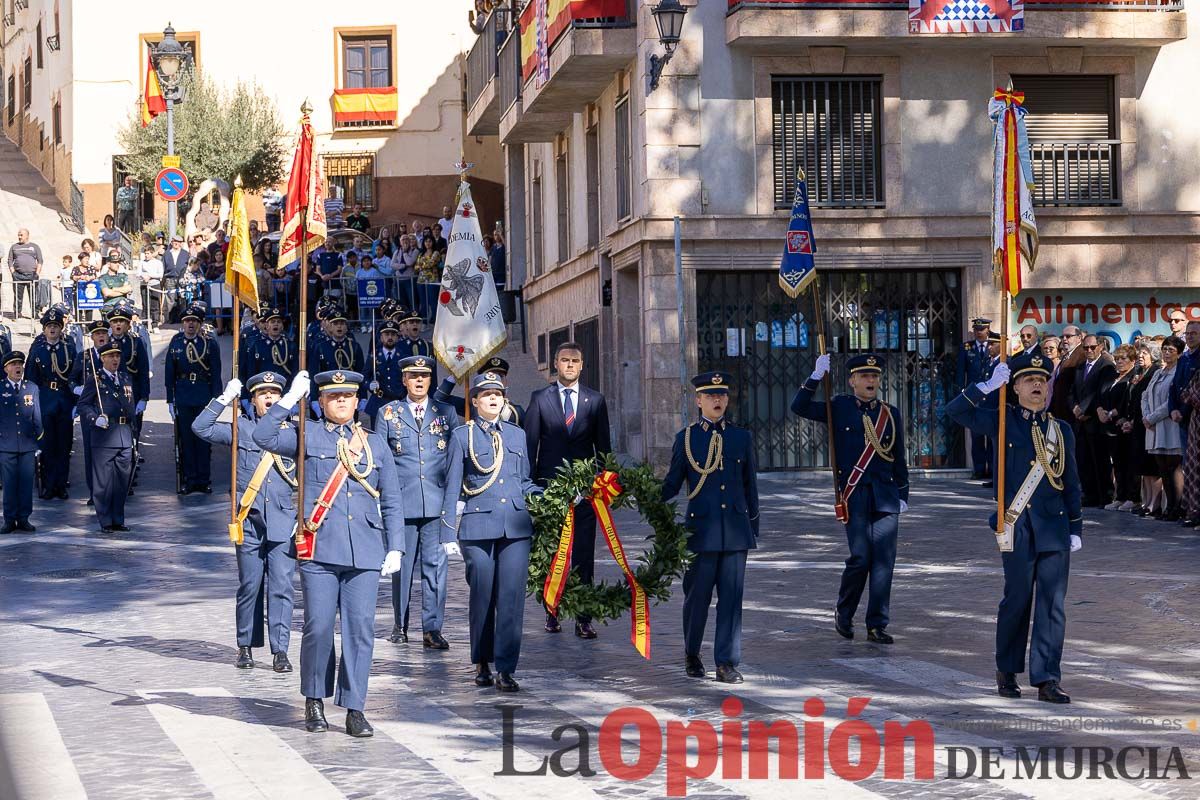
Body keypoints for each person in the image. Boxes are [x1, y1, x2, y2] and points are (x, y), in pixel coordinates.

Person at [253, 369, 405, 738]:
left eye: (347, 397)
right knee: (318, 628)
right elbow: (262, 435)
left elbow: (393, 497)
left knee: (360, 631)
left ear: (357, 401)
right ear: (321, 402)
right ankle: (315, 699)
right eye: (333, 397)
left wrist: (396, 544)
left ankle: (355, 707)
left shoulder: (374, 442)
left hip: (365, 550)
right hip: (319, 549)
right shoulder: (307, 434)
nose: (341, 402)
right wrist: (288, 400)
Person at [947, 352, 1081, 704]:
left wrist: (1076, 526)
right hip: (1016, 525)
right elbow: (955, 412)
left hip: (1053, 527)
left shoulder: (1061, 430)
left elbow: (1071, 481)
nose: (1037, 385)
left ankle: (1047, 678)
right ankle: (1007, 670)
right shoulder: (1003, 421)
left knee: (1052, 604)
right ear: (1016, 387)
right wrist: (986, 386)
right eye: (1028, 380)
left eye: (1041, 380)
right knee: (1017, 600)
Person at [792, 353, 909, 644]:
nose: (871, 381)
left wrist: (903, 492)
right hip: (854, 493)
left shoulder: (889, 413)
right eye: (865, 376)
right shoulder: (839, 407)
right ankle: (844, 612)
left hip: (884, 494)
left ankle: (877, 624)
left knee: (884, 560)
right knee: (860, 557)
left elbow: (899, 457)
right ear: (852, 380)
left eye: (875, 376)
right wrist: (815, 377)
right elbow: (800, 407)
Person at [440, 372, 541, 692]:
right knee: (482, 593)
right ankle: (482, 660)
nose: (494, 399)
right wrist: (446, 534)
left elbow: (524, 480)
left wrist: (550, 497)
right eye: (487, 395)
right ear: (475, 401)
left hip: (515, 525)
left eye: (498, 394)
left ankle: (507, 667)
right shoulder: (461, 436)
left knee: (511, 598)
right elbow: (452, 485)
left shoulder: (516, 435)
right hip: (478, 525)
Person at [194, 371, 299, 672]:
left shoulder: (293, 432)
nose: (269, 398)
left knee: (281, 587)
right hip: (249, 520)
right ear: (252, 400)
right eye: (262, 394)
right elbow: (200, 428)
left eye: (274, 394)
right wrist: (224, 399)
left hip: (282, 519)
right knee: (250, 585)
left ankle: (281, 650)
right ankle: (245, 646)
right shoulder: (241, 428)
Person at [661, 371, 759, 683]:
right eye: (710, 395)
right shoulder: (686, 438)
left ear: (727, 399)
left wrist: (752, 527)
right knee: (697, 598)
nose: (717, 400)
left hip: (734, 531)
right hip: (700, 532)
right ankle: (692, 652)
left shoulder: (741, 438)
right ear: (698, 400)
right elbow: (672, 484)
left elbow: (750, 485)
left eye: (722, 395)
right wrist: (634, 491)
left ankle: (727, 662)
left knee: (731, 599)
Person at [525, 342, 612, 638]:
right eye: (564, 360)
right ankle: (552, 612)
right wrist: (532, 488)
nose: (570, 365)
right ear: (555, 363)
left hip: (584, 492)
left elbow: (604, 450)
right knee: (553, 554)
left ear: (583, 365)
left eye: (575, 360)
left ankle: (583, 618)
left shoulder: (595, 401)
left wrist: (603, 484)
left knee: (583, 555)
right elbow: (530, 447)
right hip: (549, 491)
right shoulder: (539, 399)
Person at [376, 356, 460, 648]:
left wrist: (453, 500)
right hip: (402, 501)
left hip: (436, 502)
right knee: (402, 565)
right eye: (413, 376)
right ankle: (400, 623)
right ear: (404, 380)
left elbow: (453, 460)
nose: (419, 381)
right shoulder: (388, 413)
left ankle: (432, 627)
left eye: (424, 375)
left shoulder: (446, 412)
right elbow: (382, 460)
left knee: (436, 567)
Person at [77, 340, 136, 532]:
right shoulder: (95, 379)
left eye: (117, 356)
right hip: (104, 436)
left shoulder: (125, 378)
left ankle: (118, 519)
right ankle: (106, 521)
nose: (115, 359)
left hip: (124, 436)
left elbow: (130, 406)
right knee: (103, 484)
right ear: (102, 358)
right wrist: (95, 419)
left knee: (121, 483)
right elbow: (83, 405)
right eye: (111, 356)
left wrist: (133, 432)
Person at [165, 303, 222, 494]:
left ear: (199, 324)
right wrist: (170, 399)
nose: (190, 325)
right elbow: (169, 373)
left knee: (203, 440)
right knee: (186, 440)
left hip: (202, 396)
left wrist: (217, 400)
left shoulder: (209, 343)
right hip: (183, 395)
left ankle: (204, 479)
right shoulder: (176, 342)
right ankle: (190, 479)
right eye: (187, 321)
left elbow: (215, 373)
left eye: (194, 321)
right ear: (182, 323)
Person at [25, 308, 76, 501]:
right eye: (49, 326)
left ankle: (61, 485)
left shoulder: (69, 349)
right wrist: (31, 406)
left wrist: (76, 403)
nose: (52, 329)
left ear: (61, 329)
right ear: (44, 330)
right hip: (45, 400)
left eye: (56, 326)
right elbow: (31, 380)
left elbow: (74, 376)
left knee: (64, 445)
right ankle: (48, 485)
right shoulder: (38, 351)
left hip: (64, 399)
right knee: (47, 445)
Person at [1071, 335, 1117, 508]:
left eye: (1092, 347)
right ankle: (1089, 494)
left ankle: (1104, 495)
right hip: (1080, 422)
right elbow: (1072, 391)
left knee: (1100, 461)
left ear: (1100, 347)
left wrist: (1085, 409)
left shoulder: (1106, 367)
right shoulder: (1080, 367)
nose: (1089, 351)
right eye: (1085, 348)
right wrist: (1074, 406)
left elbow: (1101, 393)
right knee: (1083, 460)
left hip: (1095, 421)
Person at [1142, 336, 1185, 521]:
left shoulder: (1178, 372)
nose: (1167, 353)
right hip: (1154, 426)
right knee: (1162, 467)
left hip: (1169, 424)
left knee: (1174, 465)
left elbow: (1172, 400)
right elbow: (1145, 395)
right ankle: (1169, 508)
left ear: (1179, 353)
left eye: (1171, 350)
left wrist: (1151, 417)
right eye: (1164, 349)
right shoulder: (1159, 372)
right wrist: (1146, 416)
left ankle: (1178, 506)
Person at [0, 352, 42, 534]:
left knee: (26, 483)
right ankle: (9, 519)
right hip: (6, 444)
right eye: (13, 364)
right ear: (5, 369)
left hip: (27, 444)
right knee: (9, 484)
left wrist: (39, 441)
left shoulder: (31, 388)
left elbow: (37, 417)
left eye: (20, 364)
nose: (18, 367)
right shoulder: (0, 388)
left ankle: (24, 517)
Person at [1097, 345, 1140, 512]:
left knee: (1127, 462)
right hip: (1107, 426)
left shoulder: (1132, 378)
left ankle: (1132, 497)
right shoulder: (1112, 377)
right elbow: (1100, 395)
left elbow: (1128, 400)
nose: (1120, 362)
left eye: (1124, 359)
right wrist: (1100, 409)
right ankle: (1120, 496)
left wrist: (1113, 412)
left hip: (1122, 426)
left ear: (1132, 361)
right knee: (1116, 464)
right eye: (1118, 359)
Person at [71, 320, 109, 501]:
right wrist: (77, 389)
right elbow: (72, 378)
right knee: (90, 451)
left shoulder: (113, 354)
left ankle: (108, 491)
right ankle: (94, 491)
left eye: (104, 333)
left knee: (109, 452)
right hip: (89, 410)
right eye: (97, 334)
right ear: (92, 337)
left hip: (108, 409)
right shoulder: (84, 356)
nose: (101, 337)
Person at [1168, 321, 1200, 525]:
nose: (1189, 337)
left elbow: (1193, 390)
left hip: (1193, 416)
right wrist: (1173, 409)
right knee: (1188, 466)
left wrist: (1184, 409)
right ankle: (1190, 508)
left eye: (1194, 333)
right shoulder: (1185, 357)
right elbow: (1175, 386)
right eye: (1187, 334)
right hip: (1182, 418)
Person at [307, 307, 365, 417]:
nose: (339, 326)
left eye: (342, 323)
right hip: (329, 396)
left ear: (346, 327)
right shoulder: (321, 347)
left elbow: (360, 373)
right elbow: (314, 374)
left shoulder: (354, 347)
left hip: (348, 396)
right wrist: (314, 398)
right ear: (330, 327)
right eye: (336, 323)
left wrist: (363, 397)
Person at [1129, 342, 1164, 517]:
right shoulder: (1140, 373)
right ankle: (1147, 501)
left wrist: (1148, 417)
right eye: (1139, 353)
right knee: (1144, 467)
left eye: (1145, 353)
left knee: (1152, 466)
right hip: (1140, 422)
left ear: (1153, 355)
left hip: (1150, 423)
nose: (1140, 356)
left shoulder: (1155, 372)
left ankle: (1154, 504)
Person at [434, 356, 524, 423]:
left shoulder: (516, 412)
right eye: (489, 376)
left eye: (500, 376)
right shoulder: (472, 406)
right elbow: (439, 399)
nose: (495, 380)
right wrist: (456, 374)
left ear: (506, 381)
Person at [957, 318, 993, 481]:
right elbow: (960, 372)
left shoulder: (995, 345)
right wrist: (962, 393)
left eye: (982, 329)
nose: (979, 332)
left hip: (991, 395)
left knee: (992, 433)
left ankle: (993, 468)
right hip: (974, 395)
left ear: (988, 330)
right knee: (976, 434)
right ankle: (979, 469)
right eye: (976, 329)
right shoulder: (967, 347)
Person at [364, 321, 406, 420]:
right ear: (381, 337)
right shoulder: (374, 356)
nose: (390, 337)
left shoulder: (404, 357)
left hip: (398, 403)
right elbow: (364, 376)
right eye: (386, 334)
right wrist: (369, 385)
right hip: (379, 403)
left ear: (397, 337)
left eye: (393, 334)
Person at [1049, 325, 1086, 419]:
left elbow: (1082, 385)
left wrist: (1077, 407)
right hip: (1060, 412)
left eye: (1068, 336)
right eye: (1062, 337)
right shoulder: (1067, 355)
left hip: (1073, 413)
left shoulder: (1082, 355)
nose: (1064, 339)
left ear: (1079, 337)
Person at [7, 228, 44, 322]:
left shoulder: (34, 246)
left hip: (32, 275)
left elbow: (40, 260)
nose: (19, 237)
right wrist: (13, 272)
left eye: (21, 235)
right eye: (18, 235)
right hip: (18, 275)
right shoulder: (14, 247)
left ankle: (34, 314)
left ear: (27, 235)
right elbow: (10, 260)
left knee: (33, 296)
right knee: (18, 296)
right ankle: (17, 313)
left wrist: (37, 273)